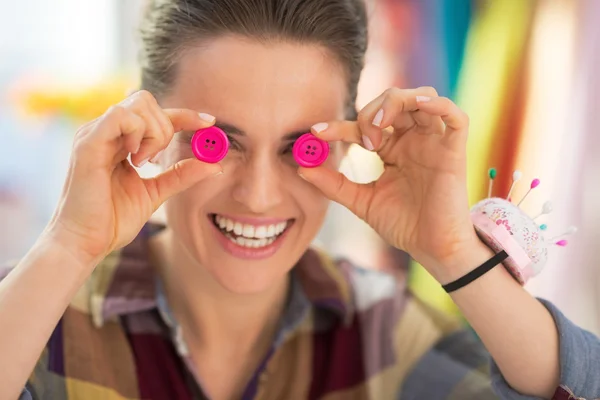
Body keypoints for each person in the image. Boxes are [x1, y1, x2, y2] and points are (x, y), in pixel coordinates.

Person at [1, 1, 599, 399]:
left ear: (347, 144)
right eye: (220, 145)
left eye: (301, 148)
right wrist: (67, 247)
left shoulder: (389, 335)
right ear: (152, 129)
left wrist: (451, 252)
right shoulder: (37, 314)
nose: (259, 196)